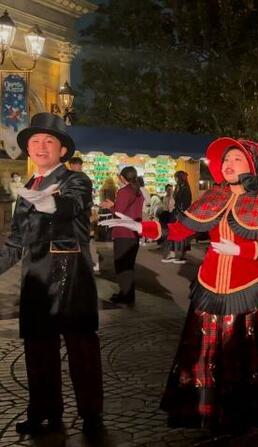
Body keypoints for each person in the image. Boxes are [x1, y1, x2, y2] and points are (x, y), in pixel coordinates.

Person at [102, 137, 258, 436]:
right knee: (208, 351)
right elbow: (180, 229)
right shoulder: (213, 197)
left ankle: (241, 411)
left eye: (237, 160)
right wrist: (142, 227)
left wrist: (243, 251)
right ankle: (210, 408)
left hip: (250, 285)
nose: (228, 165)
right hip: (211, 284)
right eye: (226, 160)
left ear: (253, 166)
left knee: (243, 353)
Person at [0, 113, 103, 434]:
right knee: (37, 350)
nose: (40, 147)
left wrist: (48, 203)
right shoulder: (28, 187)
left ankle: (91, 415)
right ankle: (44, 412)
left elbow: (73, 204)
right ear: (28, 150)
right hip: (36, 281)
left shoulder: (76, 180)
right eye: (34, 141)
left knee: (81, 350)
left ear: (62, 151)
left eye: (48, 141)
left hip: (70, 277)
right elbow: (16, 241)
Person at [100, 167, 144, 304]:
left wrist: (110, 206)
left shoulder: (124, 191)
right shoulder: (138, 191)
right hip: (134, 232)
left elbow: (119, 212)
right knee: (128, 265)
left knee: (121, 265)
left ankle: (125, 295)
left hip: (123, 232)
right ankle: (127, 294)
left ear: (122, 177)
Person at [66, 157, 101, 273]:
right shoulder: (86, 178)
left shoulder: (70, 178)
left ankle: (81, 264)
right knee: (86, 240)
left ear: (71, 165)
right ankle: (88, 263)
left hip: (76, 214)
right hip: (84, 213)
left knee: (79, 240)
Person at [163, 171, 192, 264]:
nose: (175, 179)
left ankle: (181, 256)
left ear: (179, 178)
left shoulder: (185, 189)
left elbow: (186, 204)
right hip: (176, 214)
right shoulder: (179, 187)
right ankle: (173, 254)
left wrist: (180, 213)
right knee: (173, 234)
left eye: (176, 177)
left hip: (181, 215)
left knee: (181, 235)